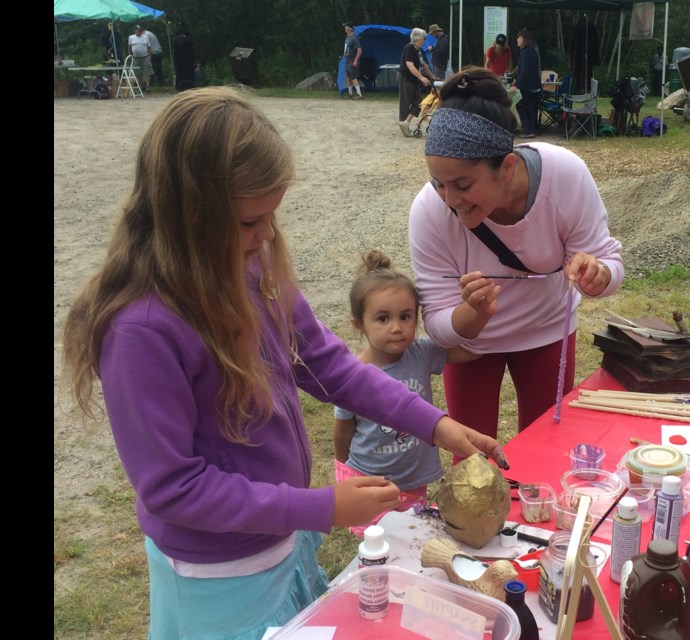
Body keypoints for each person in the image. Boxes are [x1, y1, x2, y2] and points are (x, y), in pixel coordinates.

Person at [60, 86, 507, 639]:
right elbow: (173, 487)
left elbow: (330, 366)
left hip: (279, 541)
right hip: (216, 576)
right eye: (250, 222)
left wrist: (434, 424)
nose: (269, 235)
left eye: (273, 215)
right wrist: (318, 506)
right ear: (190, 219)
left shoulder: (254, 266)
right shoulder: (140, 330)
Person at [408, 67, 624, 458]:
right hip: (472, 347)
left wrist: (598, 274)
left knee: (545, 452)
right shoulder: (428, 211)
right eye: (439, 183)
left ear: (506, 167)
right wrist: (472, 315)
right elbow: (439, 326)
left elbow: (609, 262)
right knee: (471, 461)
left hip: (546, 333)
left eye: (463, 185)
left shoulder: (565, 176)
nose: (449, 199)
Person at [333, 249, 481, 536]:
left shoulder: (421, 353)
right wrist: (344, 470)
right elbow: (343, 429)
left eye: (406, 316)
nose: (397, 328)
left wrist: (478, 315)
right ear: (359, 324)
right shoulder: (352, 374)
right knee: (377, 544)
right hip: (371, 480)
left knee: (412, 535)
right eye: (383, 319)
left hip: (415, 476)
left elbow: (468, 352)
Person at [398, 28, 436, 137]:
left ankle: (405, 123)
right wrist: (422, 78)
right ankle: (404, 124)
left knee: (419, 103)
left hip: (414, 78)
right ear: (418, 39)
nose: (425, 40)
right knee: (406, 101)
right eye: (424, 38)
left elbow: (423, 64)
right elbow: (410, 65)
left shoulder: (419, 50)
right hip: (406, 78)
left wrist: (431, 76)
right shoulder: (409, 48)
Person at [512, 29, 541, 138]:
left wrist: (517, 84)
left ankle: (528, 130)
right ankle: (533, 128)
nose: (517, 39)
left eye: (519, 37)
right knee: (532, 108)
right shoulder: (533, 51)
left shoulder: (525, 52)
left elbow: (524, 71)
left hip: (527, 86)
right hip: (535, 85)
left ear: (524, 39)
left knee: (522, 106)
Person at [128, 24, 153, 92]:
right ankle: (141, 85)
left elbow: (149, 46)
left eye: (140, 30)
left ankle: (147, 86)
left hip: (145, 56)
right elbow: (129, 47)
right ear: (135, 31)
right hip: (136, 57)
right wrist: (130, 55)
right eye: (138, 30)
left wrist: (150, 55)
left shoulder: (145, 37)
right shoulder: (131, 37)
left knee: (147, 71)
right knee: (138, 72)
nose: (139, 32)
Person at [342, 22, 363, 99]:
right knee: (348, 78)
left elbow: (359, 50)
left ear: (350, 29)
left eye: (346, 27)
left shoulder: (355, 38)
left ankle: (359, 94)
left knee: (353, 78)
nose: (344, 28)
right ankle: (350, 94)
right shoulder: (347, 36)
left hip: (352, 61)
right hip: (347, 60)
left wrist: (355, 60)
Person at [172, 23, 196, 91]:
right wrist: (194, 60)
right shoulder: (189, 40)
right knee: (189, 74)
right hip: (188, 60)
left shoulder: (176, 40)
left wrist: (175, 60)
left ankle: (179, 86)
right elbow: (192, 51)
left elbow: (175, 51)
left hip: (179, 60)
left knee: (180, 74)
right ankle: (190, 86)